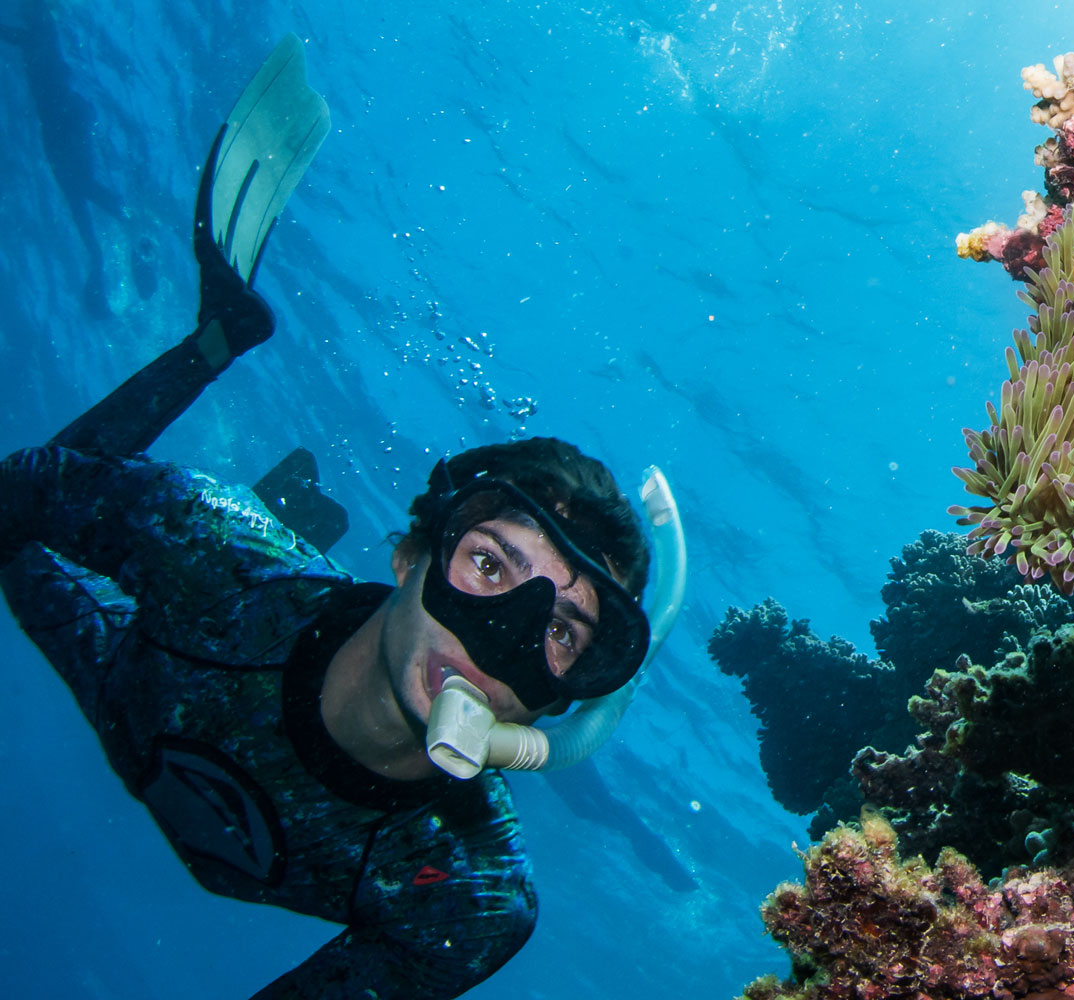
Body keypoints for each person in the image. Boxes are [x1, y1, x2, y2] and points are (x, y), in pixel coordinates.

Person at [0, 37, 680, 999]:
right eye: (490, 564)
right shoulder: (213, 556)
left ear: (564, 703)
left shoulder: (469, 896)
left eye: (564, 629)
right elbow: (24, 488)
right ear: (410, 555)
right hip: (131, 675)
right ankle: (216, 341)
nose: (500, 639)